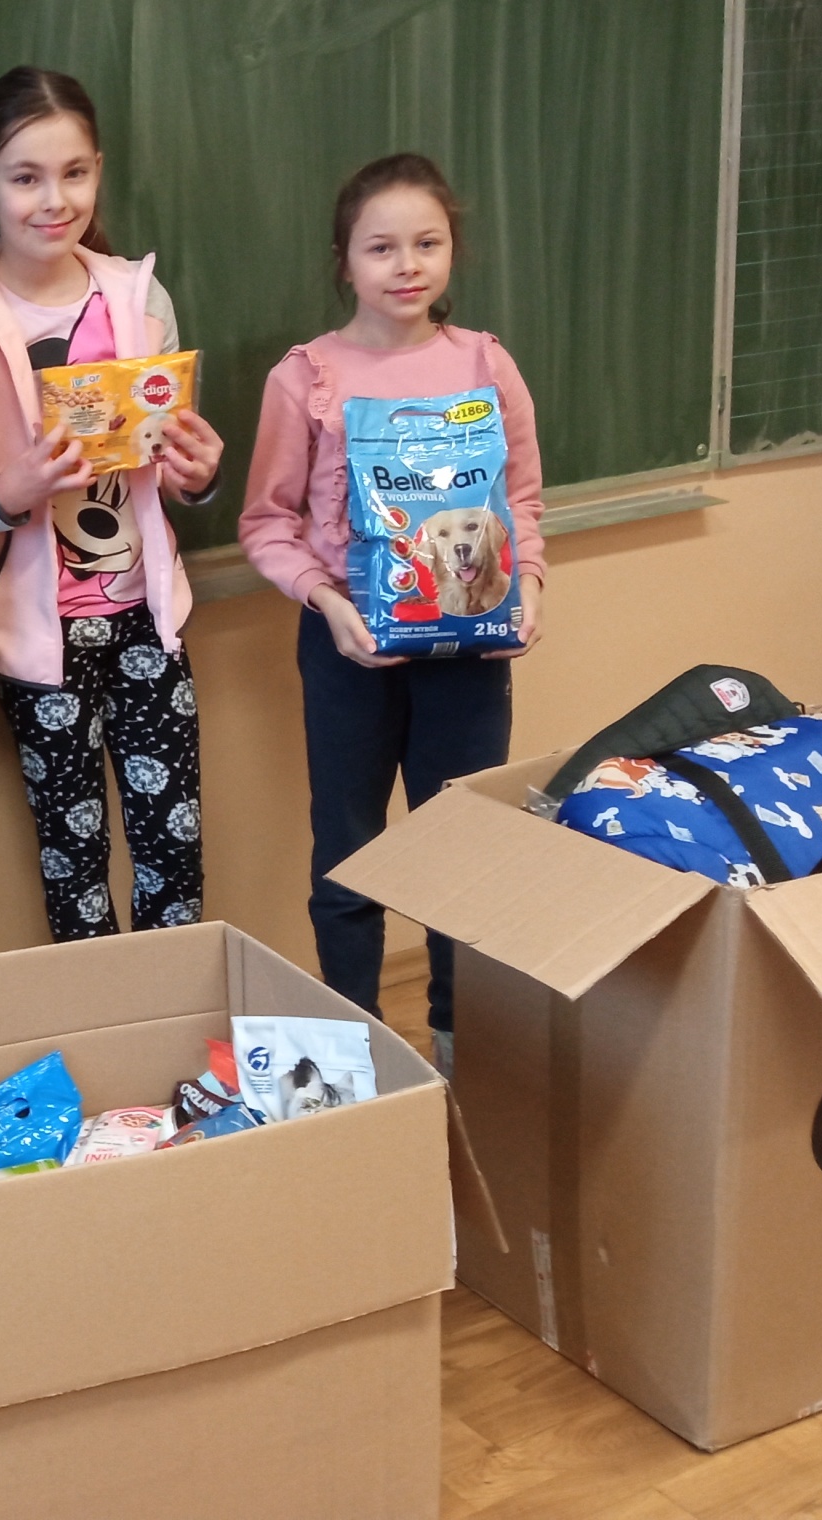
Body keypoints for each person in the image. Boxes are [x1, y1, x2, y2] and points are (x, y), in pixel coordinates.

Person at [239, 153, 545, 1073]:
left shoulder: (485, 364)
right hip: (349, 650)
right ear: (343, 259)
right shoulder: (306, 378)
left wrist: (529, 586)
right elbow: (266, 522)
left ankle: (459, 1043)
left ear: (453, 251)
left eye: (427, 243)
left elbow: (522, 500)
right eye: (381, 247)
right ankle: (354, 1057)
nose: (407, 265)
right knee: (348, 851)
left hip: (469, 654)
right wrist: (326, 603)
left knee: (465, 852)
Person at [0, 69, 224, 941]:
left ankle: (176, 1012)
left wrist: (197, 475)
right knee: (74, 864)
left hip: (145, 617)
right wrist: (6, 494)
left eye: (74, 173)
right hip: (37, 638)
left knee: (174, 853)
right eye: (25, 177)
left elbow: (171, 466)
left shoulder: (140, 302)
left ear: (99, 172)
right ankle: (99, 1019)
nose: (53, 200)